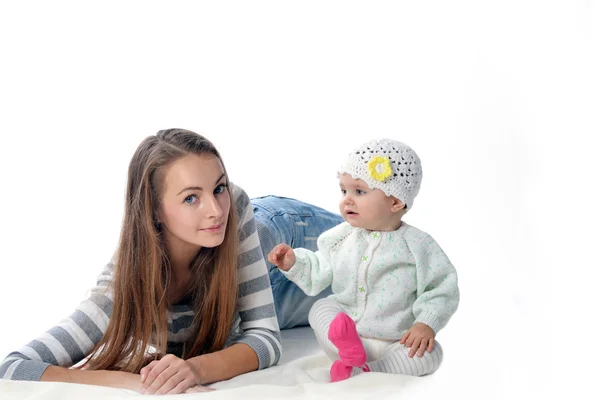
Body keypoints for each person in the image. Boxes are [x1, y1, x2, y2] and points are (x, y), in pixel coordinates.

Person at [0, 129, 341, 394]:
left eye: (218, 187)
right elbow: (14, 367)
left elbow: (265, 339)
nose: (215, 210)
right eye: (191, 197)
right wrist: (132, 382)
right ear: (154, 211)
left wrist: (195, 369)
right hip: (285, 308)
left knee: (380, 255)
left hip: (292, 242)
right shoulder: (122, 286)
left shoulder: (234, 214)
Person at [268, 139, 460, 382]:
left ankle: (369, 370)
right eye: (344, 190)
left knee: (431, 353)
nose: (347, 199)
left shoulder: (419, 245)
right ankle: (348, 350)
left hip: (395, 341)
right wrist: (294, 263)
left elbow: (441, 286)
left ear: (395, 202)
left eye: (359, 191)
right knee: (321, 308)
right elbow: (318, 269)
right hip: (345, 334)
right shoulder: (340, 238)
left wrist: (425, 323)